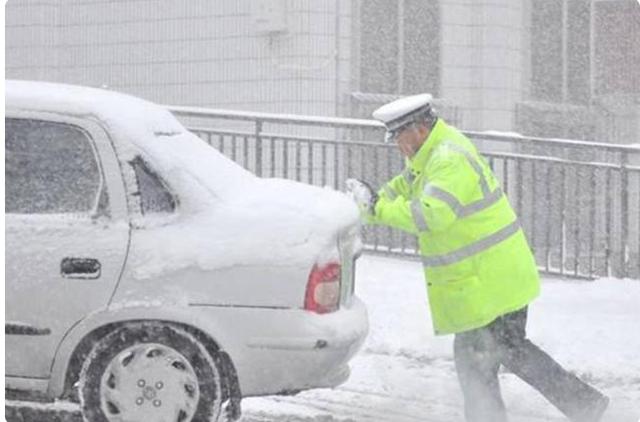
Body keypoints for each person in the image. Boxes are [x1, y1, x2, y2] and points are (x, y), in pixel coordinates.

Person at [346, 94, 609, 422]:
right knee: (503, 354)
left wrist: (378, 210)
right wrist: (374, 200)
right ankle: (583, 404)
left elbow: (432, 214)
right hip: (490, 280)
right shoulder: (431, 156)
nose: (396, 144)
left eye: (398, 136)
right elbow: (405, 185)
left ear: (418, 130)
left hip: (490, 282)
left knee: (482, 359)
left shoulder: (448, 159)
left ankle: (580, 405)